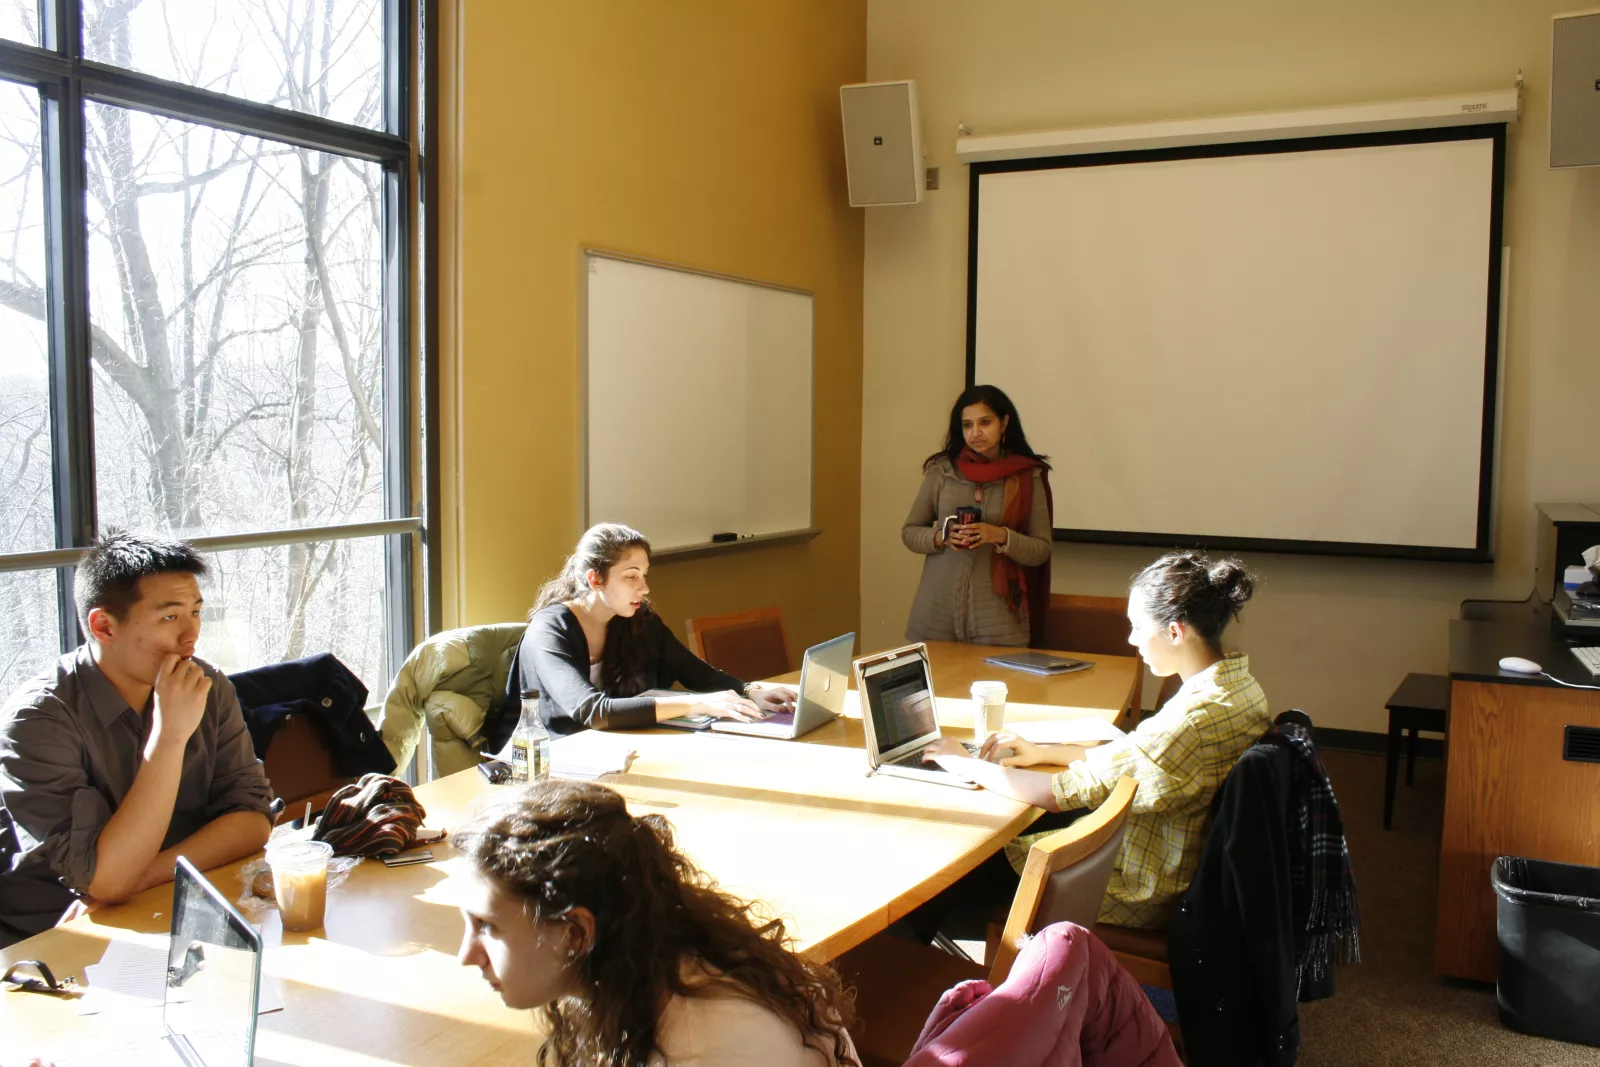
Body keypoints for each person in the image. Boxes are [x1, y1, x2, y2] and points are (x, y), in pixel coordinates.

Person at [914, 550, 1269, 932]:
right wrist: (1044, 752)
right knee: (1019, 826)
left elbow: (1056, 792)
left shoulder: (1190, 722)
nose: (1132, 640)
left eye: (1136, 627)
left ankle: (909, 969)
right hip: (1175, 857)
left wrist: (962, 762)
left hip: (1140, 886)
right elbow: (1138, 757)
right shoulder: (1236, 689)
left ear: (1174, 632)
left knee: (949, 874)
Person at [453, 778, 858, 1066]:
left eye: (486, 926)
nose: (465, 956)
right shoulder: (638, 966)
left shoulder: (707, 1046)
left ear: (576, 933)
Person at [0, 532, 273, 948]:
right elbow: (105, 879)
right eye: (169, 617)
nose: (191, 636)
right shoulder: (37, 720)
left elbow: (252, 820)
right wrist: (168, 737)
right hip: (53, 935)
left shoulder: (206, 685)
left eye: (196, 612)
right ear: (104, 626)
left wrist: (143, 877)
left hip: (164, 905)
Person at [504, 523, 795, 738]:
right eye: (631, 576)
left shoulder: (636, 619)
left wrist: (749, 691)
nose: (644, 588)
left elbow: (694, 671)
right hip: (543, 758)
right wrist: (697, 704)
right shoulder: (550, 628)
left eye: (644, 575)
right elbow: (592, 711)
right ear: (595, 579)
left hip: (610, 747)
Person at [901, 384, 1053, 647]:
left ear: (1004, 423)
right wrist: (941, 537)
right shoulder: (943, 470)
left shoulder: (1027, 475)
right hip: (936, 612)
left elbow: (1041, 549)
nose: (975, 433)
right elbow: (910, 531)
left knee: (999, 688)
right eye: (967, 425)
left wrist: (1000, 536)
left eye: (985, 422)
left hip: (999, 619)